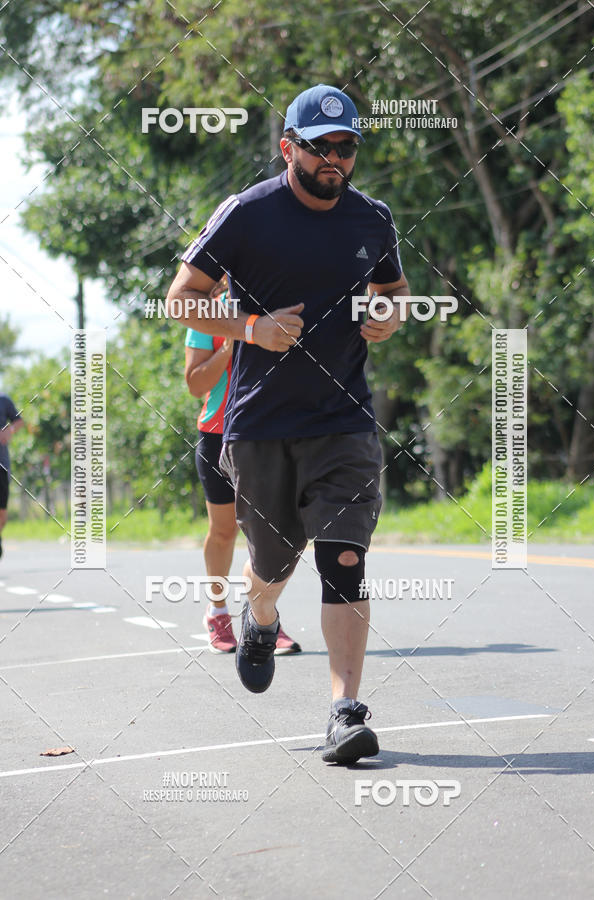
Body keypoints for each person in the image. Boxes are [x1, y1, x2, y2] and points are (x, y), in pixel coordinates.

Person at [167, 84, 410, 764]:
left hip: (344, 419)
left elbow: (393, 290)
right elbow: (181, 298)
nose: (335, 158)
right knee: (273, 564)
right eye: (320, 146)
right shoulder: (247, 213)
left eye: (347, 146)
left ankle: (345, 711)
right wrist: (252, 328)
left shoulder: (372, 219)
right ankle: (261, 616)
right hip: (260, 425)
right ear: (288, 148)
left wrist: (390, 314)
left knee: (345, 559)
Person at [184, 277, 302, 656]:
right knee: (223, 532)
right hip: (217, 433)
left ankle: (261, 616)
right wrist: (231, 345)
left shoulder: (272, 305)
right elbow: (194, 383)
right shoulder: (207, 314)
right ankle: (218, 611)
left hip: (265, 432)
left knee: (268, 533)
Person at [0, 393, 24, 559]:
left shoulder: (4, 400)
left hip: (1, 464)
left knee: (2, 513)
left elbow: (19, 421)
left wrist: (10, 429)